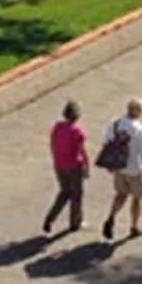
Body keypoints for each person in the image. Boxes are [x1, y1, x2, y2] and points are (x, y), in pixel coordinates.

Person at [99, 96, 142, 241]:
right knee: (137, 199)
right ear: (138, 112)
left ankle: (111, 217)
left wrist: (110, 164)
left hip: (119, 167)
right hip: (135, 169)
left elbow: (106, 143)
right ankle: (134, 227)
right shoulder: (140, 130)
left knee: (120, 194)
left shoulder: (115, 124)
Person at [43, 99, 89, 233]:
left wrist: (55, 158)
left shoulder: (57, 127)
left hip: (59, 165)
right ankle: (75, 222)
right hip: (74, 166)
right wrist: (86, 165)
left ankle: (50, 218)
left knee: (64, 192)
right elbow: (82, 150)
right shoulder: (77, 131)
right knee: (76, 195)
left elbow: (52, 144)